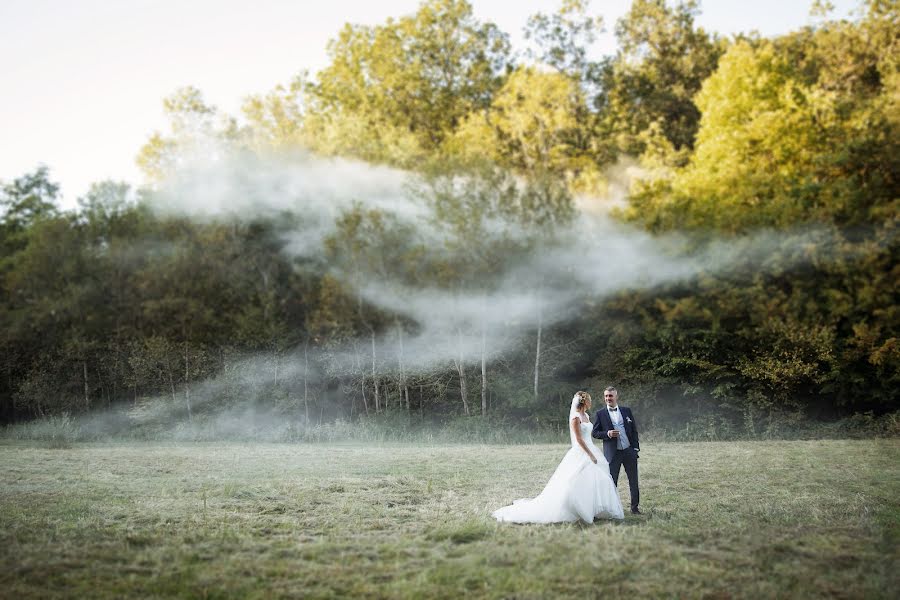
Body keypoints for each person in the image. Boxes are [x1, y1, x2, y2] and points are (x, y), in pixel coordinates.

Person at [492, 391, 624, 523]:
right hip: (582, 451)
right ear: (585, 402)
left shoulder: (586, 416)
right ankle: (576, 509)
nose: (591, 402)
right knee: (575, 481)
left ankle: (593, 508)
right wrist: (590, 455)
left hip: (592, 449)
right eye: (589, 400)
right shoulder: (575, 418)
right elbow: (578, 439)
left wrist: (593, 452)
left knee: (596, 480)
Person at [592, 386, 641, 514]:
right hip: (613, 454)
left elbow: (634, 430)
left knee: (633, 481)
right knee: (612, 482)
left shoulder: (626, 411)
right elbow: (595, 433)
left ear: (616, 397)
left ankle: (634, 508)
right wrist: (607, 433)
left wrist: (635, 448)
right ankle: (612, 509)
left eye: (610, 396)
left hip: (629, 451)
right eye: (606, 396)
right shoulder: (600, 414)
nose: (608, 398)